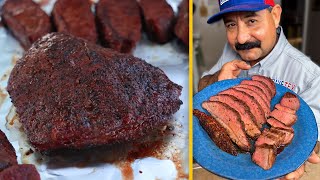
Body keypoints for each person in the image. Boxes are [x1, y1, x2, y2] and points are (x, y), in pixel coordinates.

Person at [198, 0, 320, 179]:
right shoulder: (231, 51)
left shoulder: (309, 75)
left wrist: (298, 157)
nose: (240, 38)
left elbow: (314, 137)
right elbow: (202, 89)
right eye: (231, 24)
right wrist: (216, 79)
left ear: (275, 16)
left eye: (251, 21)